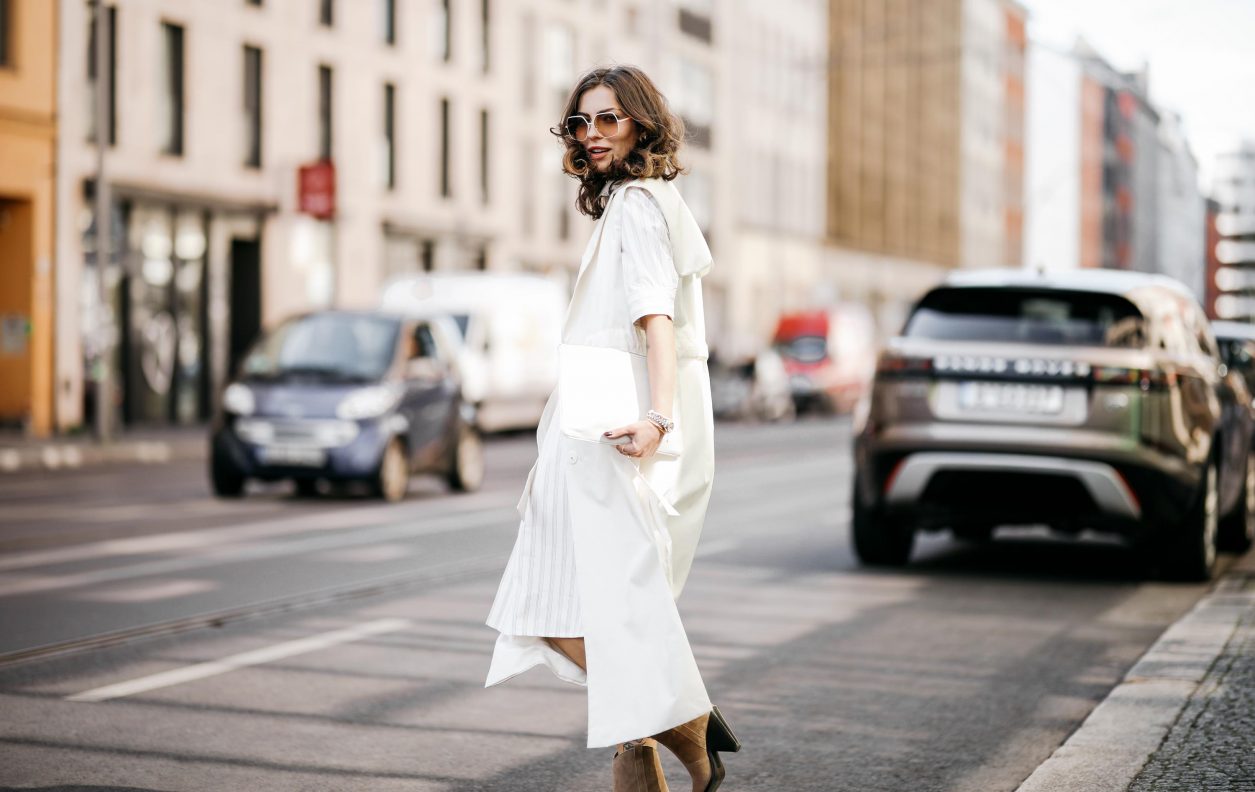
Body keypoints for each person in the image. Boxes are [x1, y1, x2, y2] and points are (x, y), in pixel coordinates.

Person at [484, 65, 740, 792]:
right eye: (580, 123)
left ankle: (683, 720)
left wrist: (655, 418)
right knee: (608, 606)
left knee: (545, 607)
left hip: (609, 429)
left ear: (641, 123)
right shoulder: (651, 202)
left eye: (608, 120)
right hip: (608, 420)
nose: (592, 135)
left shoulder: (634, 206)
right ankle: (657, 740)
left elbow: (653, 318)